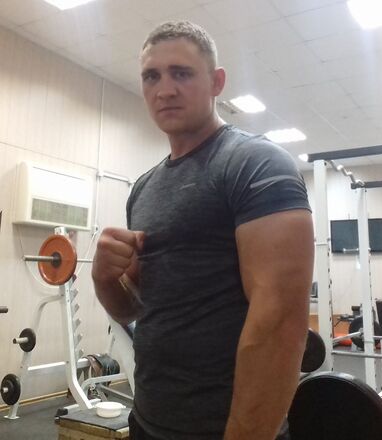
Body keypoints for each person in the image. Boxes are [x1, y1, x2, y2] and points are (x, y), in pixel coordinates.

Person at [92, 21, 314, 440]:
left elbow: (281, 323)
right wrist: (104, 278)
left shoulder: (255, 164)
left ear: (216, 82)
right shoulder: (144, 188)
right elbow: (133, 310)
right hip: (149, 419)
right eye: (151, 76)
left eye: (181, 73)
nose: (165, 90)